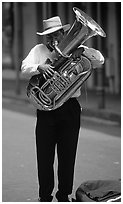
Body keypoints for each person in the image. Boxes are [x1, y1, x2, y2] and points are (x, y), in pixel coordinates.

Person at [21, 16, 104, 202]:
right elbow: (24, 68)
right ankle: (44, 196)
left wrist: (83, 50)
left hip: (70, 109)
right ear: (45, 38)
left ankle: (64, 194)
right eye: (49, 36)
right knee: (44, 156)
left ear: (63, 33)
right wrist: (39, 67)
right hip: (46, 110)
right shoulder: (39, 50)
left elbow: (100, 60)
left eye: (56, 34)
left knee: (68, 155)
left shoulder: (77, 49)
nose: (52, 40)